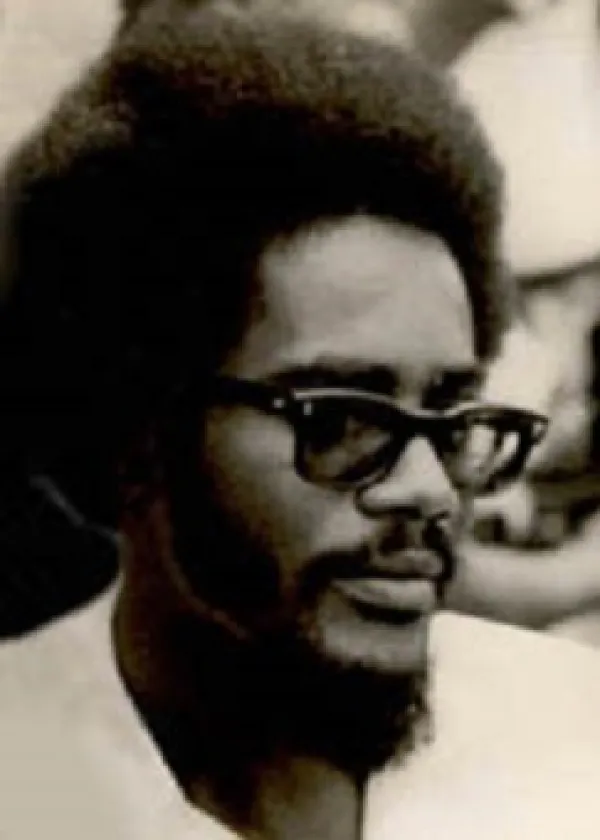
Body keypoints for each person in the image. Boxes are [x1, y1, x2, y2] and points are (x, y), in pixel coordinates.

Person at [1, 5, 600, 839]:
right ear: (140, 429)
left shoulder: (569, 740)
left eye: (448, 416)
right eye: (341, 421)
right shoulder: (25, 771)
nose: (429, 491)